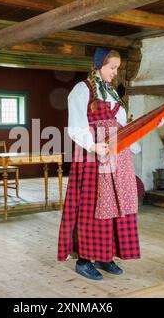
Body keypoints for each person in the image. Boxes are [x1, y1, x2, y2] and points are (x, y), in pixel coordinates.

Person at [57, 47, 144, 280]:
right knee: (91, 208)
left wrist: (135, 140)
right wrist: (93, 146)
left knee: (114, 206)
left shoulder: (112, 93)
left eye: (117, 68)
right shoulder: (81, 90)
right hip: (91, 158)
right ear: (99, 66)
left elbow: (122, 127)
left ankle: (105, 256)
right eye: (112, 68)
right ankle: (85, 260)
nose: (115, 73)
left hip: (116, 158)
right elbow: (76, 125)